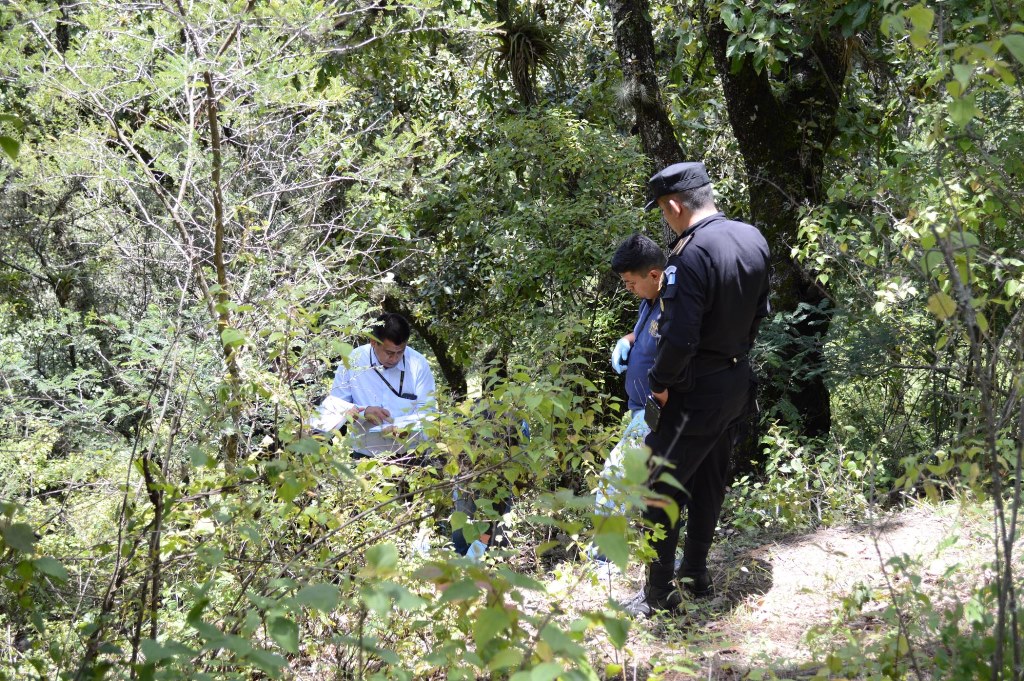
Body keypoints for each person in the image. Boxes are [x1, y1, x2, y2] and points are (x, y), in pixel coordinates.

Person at [623, 162, 770, 617]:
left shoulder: (689, 255)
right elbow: (759, 313)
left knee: (659, 486)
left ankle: (658, 595)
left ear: (674, 205)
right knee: (709, 479)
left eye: (663, 213)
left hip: (693, 388)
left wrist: (662, 385)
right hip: (735, 380)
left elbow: (681, 335)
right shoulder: (753, 239)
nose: (664, 221)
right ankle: (696, 574)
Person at [594, 234, 666, 521]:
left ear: (653, 274)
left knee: (614, 477)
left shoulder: (673, 305)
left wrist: (653, 409)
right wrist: (628, 339)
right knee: (651, 487)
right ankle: (658, 558)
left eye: (631, 283)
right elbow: (645, 331)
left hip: (655, 408)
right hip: (639, 408)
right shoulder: (648, 301)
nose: (628, 289)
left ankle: (603, 558)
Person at [313, 312, 437, 457]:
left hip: (410, 451)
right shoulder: (352, 361)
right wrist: (364, 412)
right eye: (389, 352)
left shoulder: (417, 363)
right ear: (373, 342)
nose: (394, 358)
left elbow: (427, 409)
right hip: (366, 454)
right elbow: (336, 407)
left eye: (400, 352)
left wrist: (408, 429)